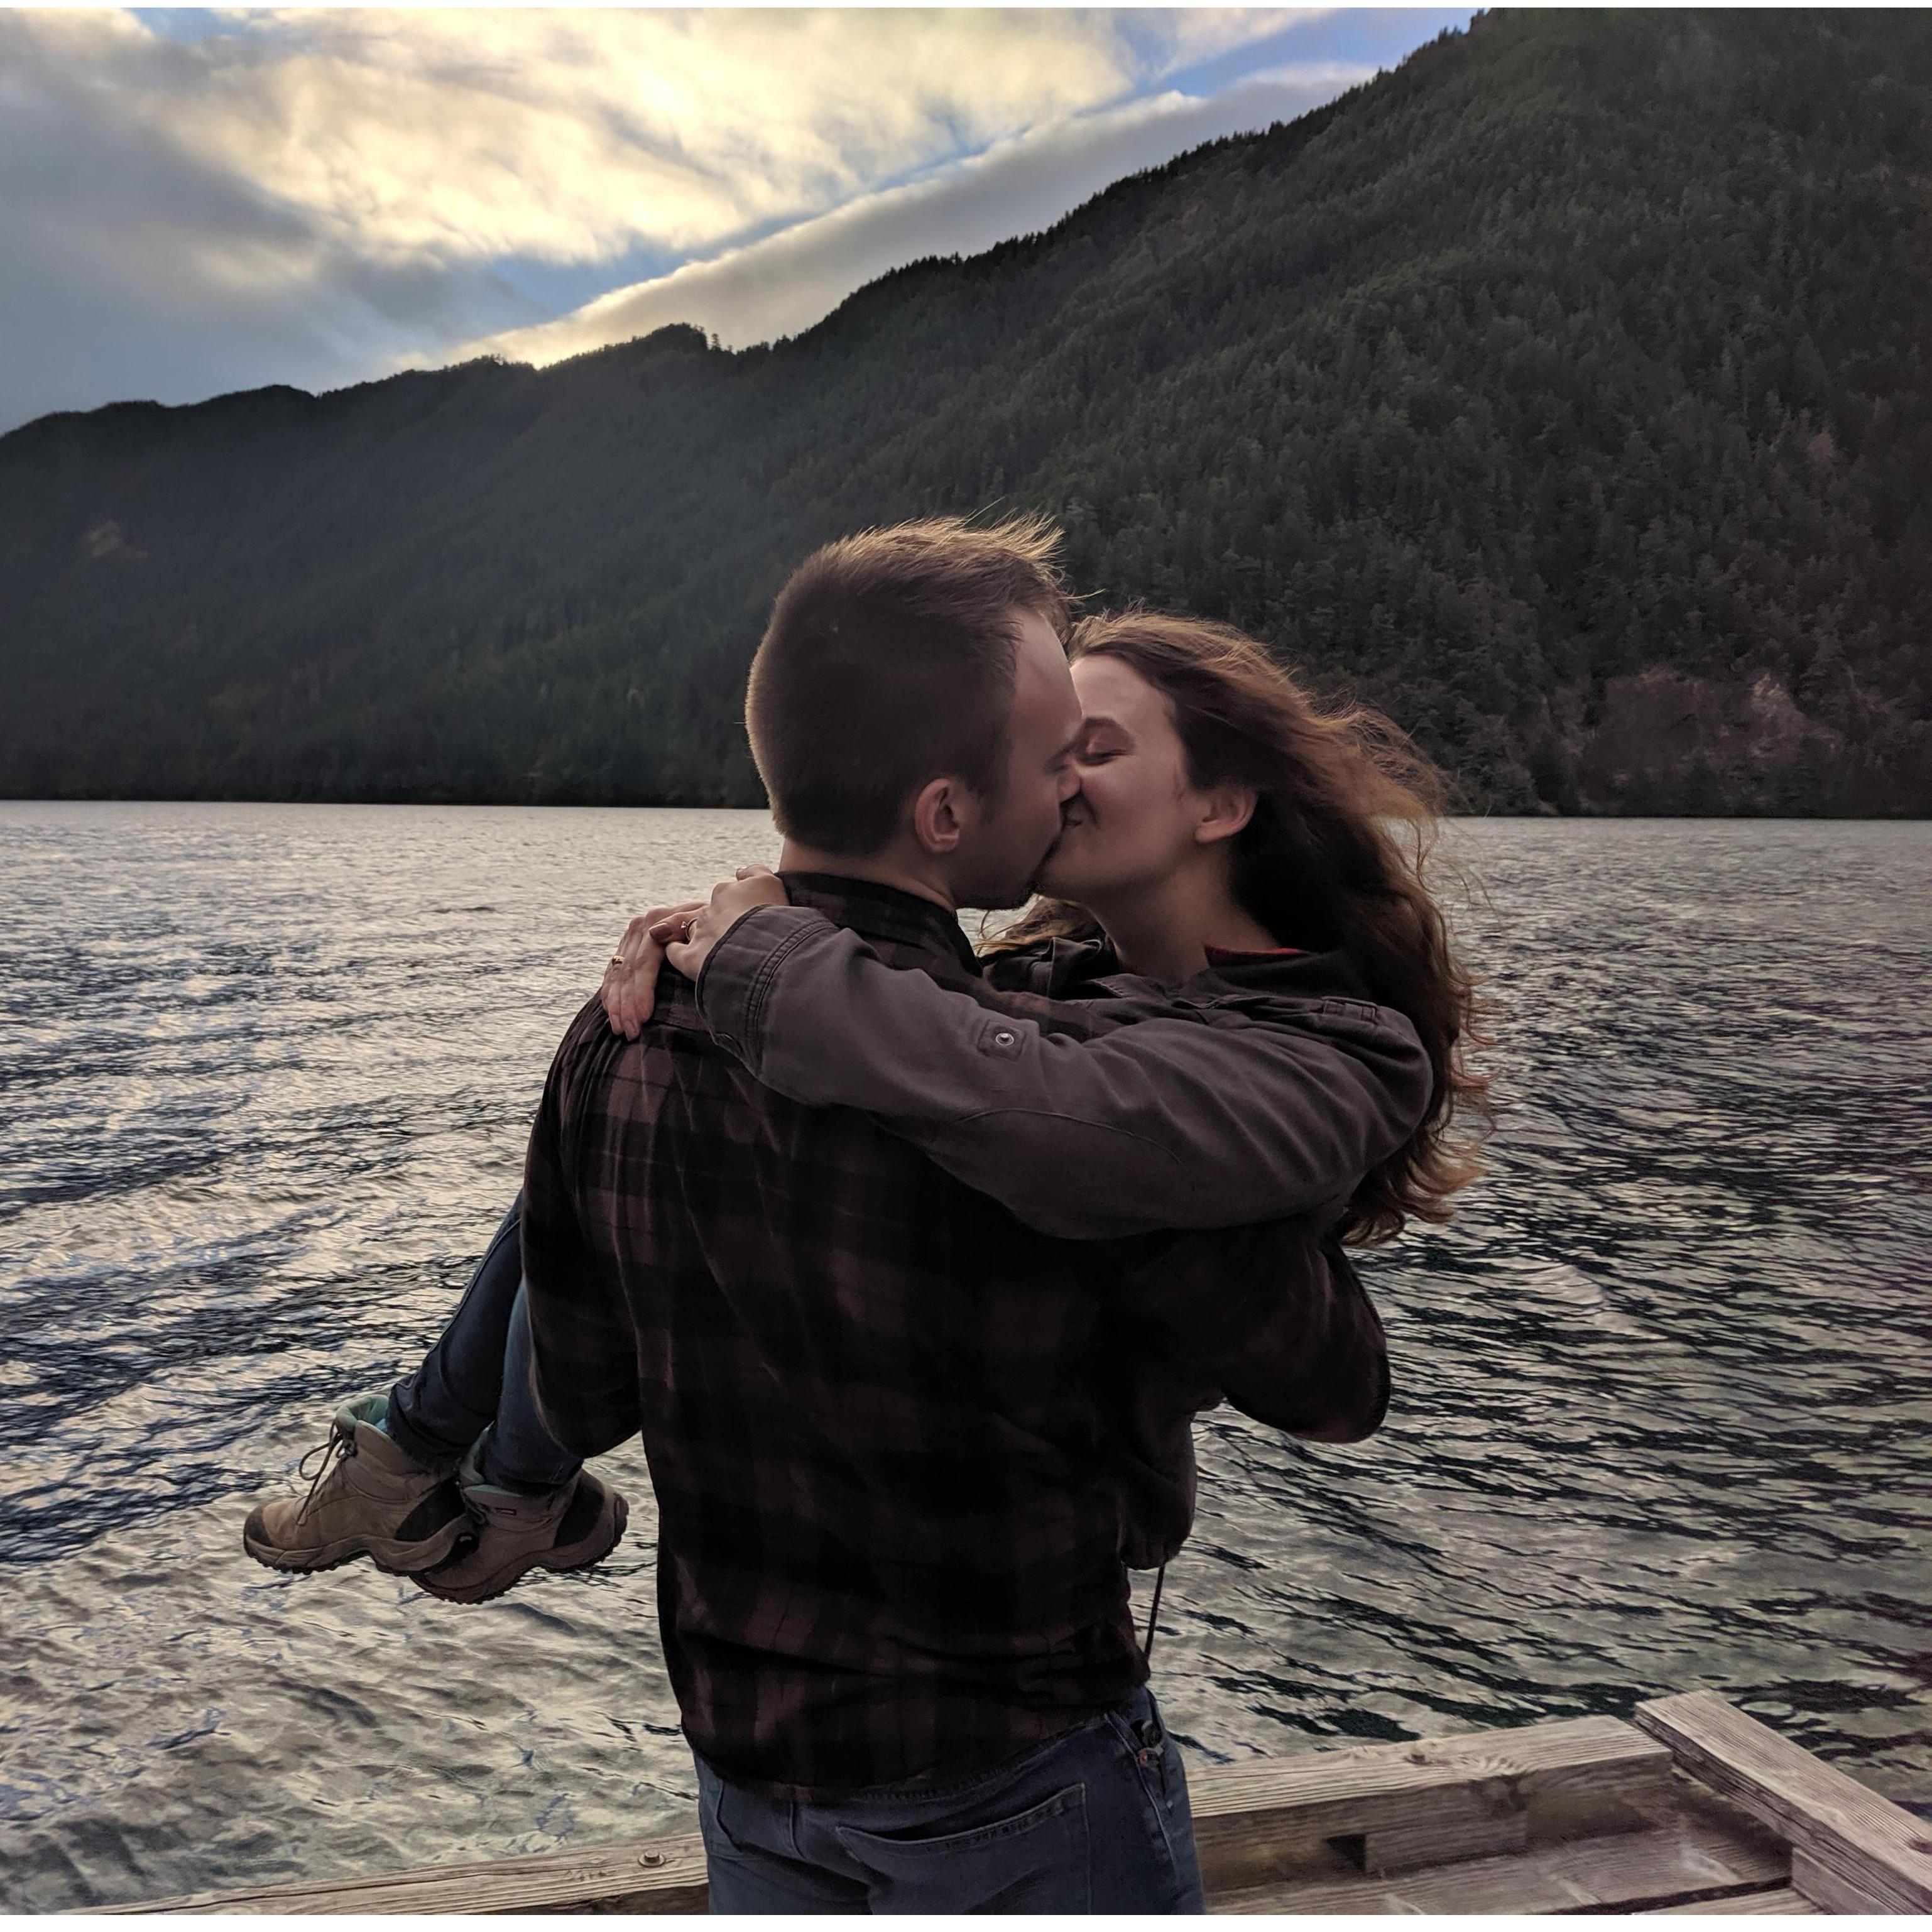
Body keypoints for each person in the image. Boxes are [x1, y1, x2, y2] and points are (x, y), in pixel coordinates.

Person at [241, 518, 1482, 1911]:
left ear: (1221, 803)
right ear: (950, 804)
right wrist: (764, 952)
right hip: (1001, 1750)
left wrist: (754, 957)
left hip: (759, 1740)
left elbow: (1320, 1369)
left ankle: (426, 1458)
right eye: (1052, 737)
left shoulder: (1289, 1044)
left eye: (1096, 742)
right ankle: (428, 1453)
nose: (1062, 768)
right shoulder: (1006, 1016)